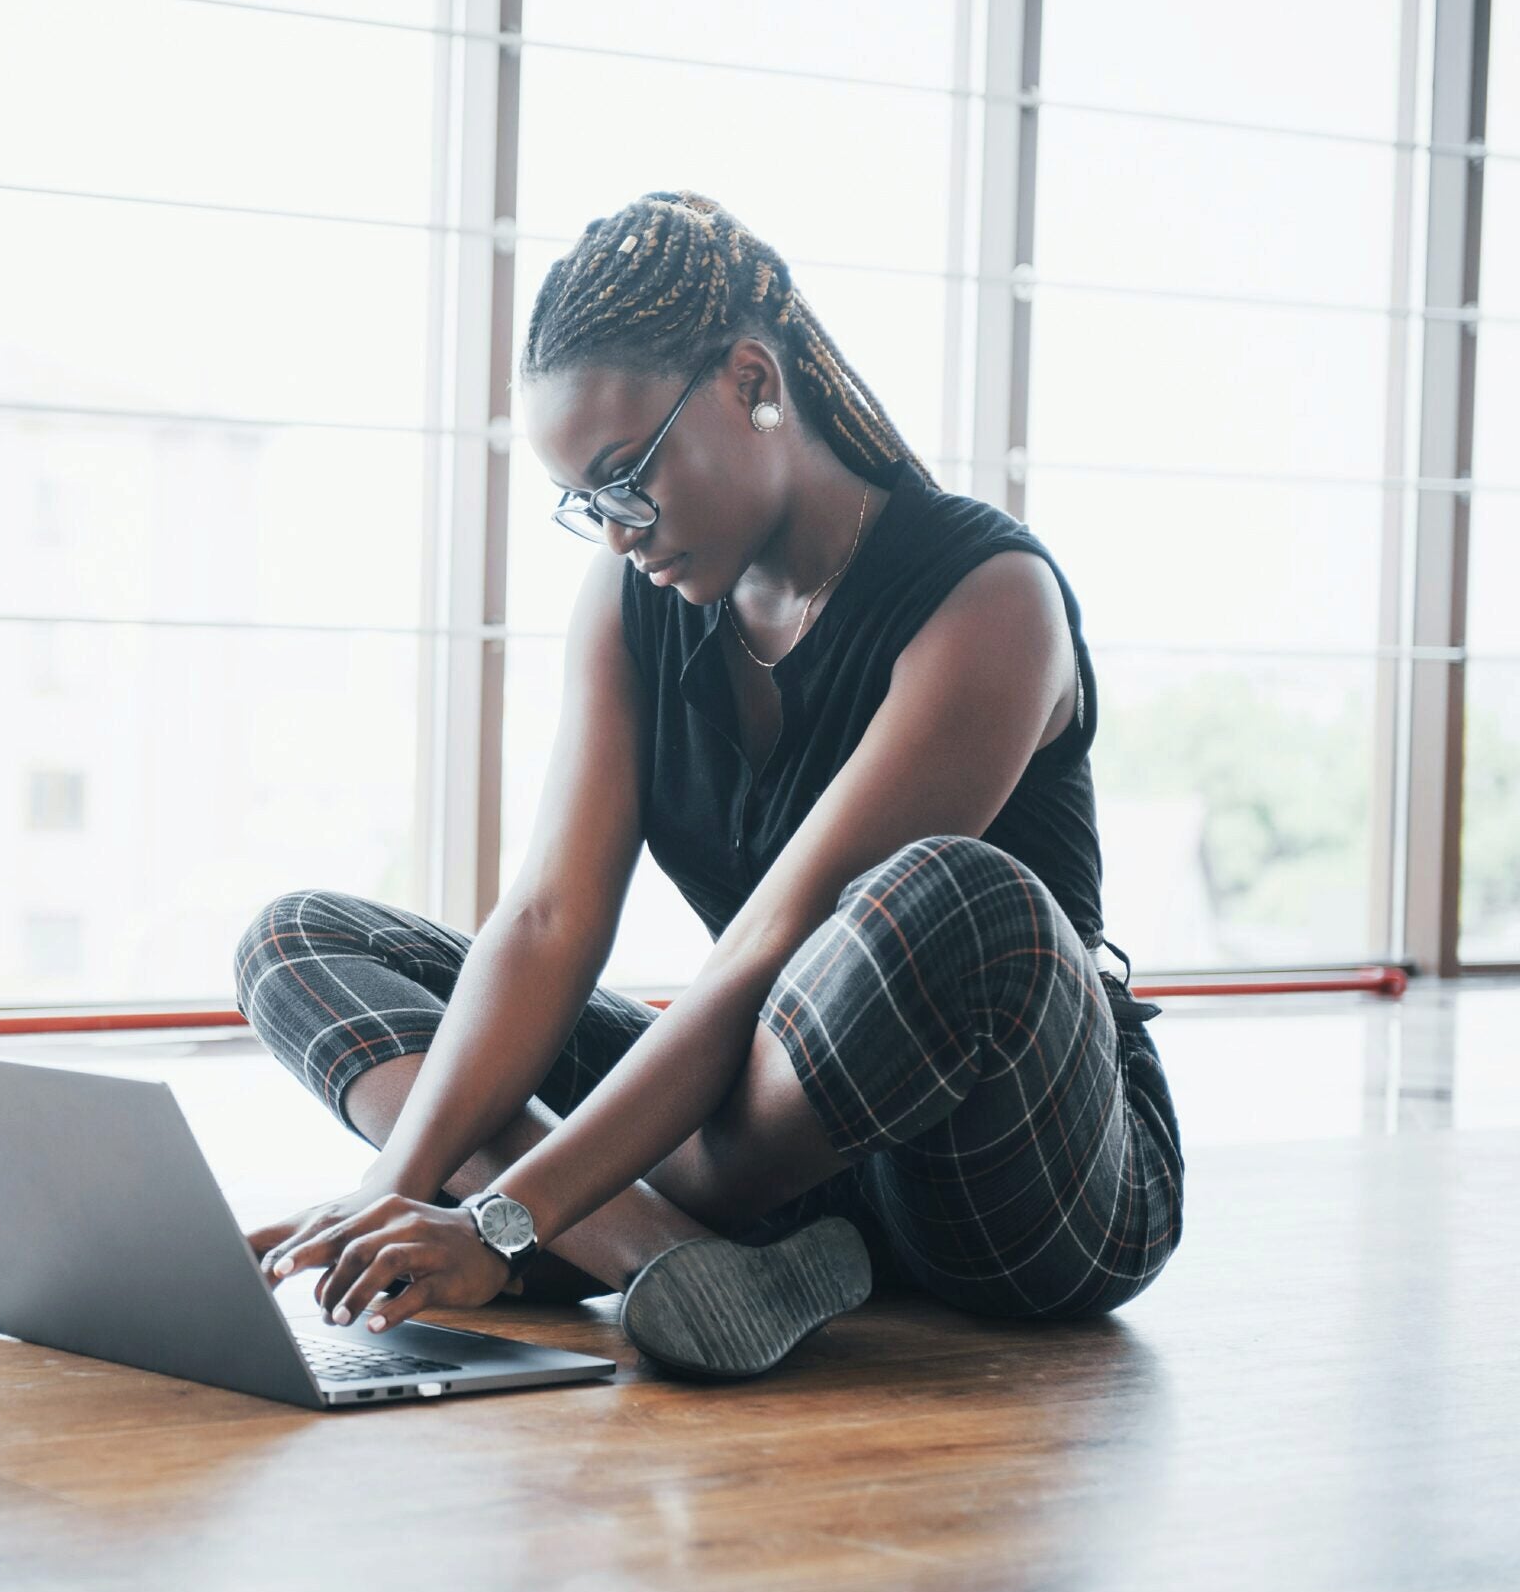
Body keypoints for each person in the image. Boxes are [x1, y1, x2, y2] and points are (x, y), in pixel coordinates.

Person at [231, 190, 1184, 1380]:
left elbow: (771, 944)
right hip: (778, 1140)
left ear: (748, 380)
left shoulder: (987, 598)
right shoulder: (639, 601)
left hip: (1016, 1169)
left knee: (944, 898)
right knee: (299, 938)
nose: (620, 531)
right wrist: (393, 1187)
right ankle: (668, 1254)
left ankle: (586, 1223)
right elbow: (547, 919)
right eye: (588, 502)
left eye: (629, 475)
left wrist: (499, 1216)